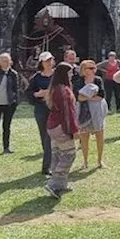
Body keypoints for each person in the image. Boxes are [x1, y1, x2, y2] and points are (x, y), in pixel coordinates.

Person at [44, 65, 79, 198]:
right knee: (69, 155)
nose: (71, 75)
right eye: (69, 73)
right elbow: (67, 113)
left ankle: (61, 184)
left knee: (57, 154)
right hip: (61, 127)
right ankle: (54, 184)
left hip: (53, 126)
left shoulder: (54, 88)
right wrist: (73, 130)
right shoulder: (63, 91)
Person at [76, 59, 108, 169]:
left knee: (100, 135)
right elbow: (78, 97)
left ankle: (99, 161)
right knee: (84, 137)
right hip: (84, 111)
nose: (94, 70)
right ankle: (85, 162)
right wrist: (91, 97)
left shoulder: (98, 80)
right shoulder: (79, 80)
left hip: (97, 111)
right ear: (84, 70)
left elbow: (101, 95)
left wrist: (86, 97)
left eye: (94, 68)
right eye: (90, 68)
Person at [28, 51, 56, 176]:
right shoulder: (36, 78)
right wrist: (37, 94)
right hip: (41, 109)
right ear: (41, 63)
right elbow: (29, 93)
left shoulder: (57, 76)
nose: (49, 63)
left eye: (51, 60)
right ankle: (48, 161)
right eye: (46, 61)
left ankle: (47, 166)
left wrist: (51, 93)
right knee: (44, 136)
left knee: (50, 136)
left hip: (54, 109)